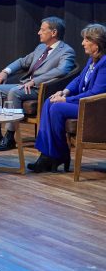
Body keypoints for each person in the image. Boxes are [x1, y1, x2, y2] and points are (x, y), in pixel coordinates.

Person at [0, 16, 76, 151]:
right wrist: (5, 72)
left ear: (54, 32)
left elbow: (61, 70)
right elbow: (22, 62)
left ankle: (10, 136)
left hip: (42, 89)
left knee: (14, 92)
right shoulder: (41, 47)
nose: (39, 32)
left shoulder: (66, 51)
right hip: (26, 86)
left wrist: (35, 81)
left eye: (42, 30)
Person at [28, 24, 106, 173]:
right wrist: (64, 92)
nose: (82, 43)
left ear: (96, 43)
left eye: (86, 40)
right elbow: (78, 80)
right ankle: (47, 155)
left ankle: (58, 154)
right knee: (49, 101)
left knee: (57, 108)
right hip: (83, 104)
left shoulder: (105, 64)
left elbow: (95, 93)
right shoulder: (92, 60)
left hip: (94, 108)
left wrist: (67, 100)